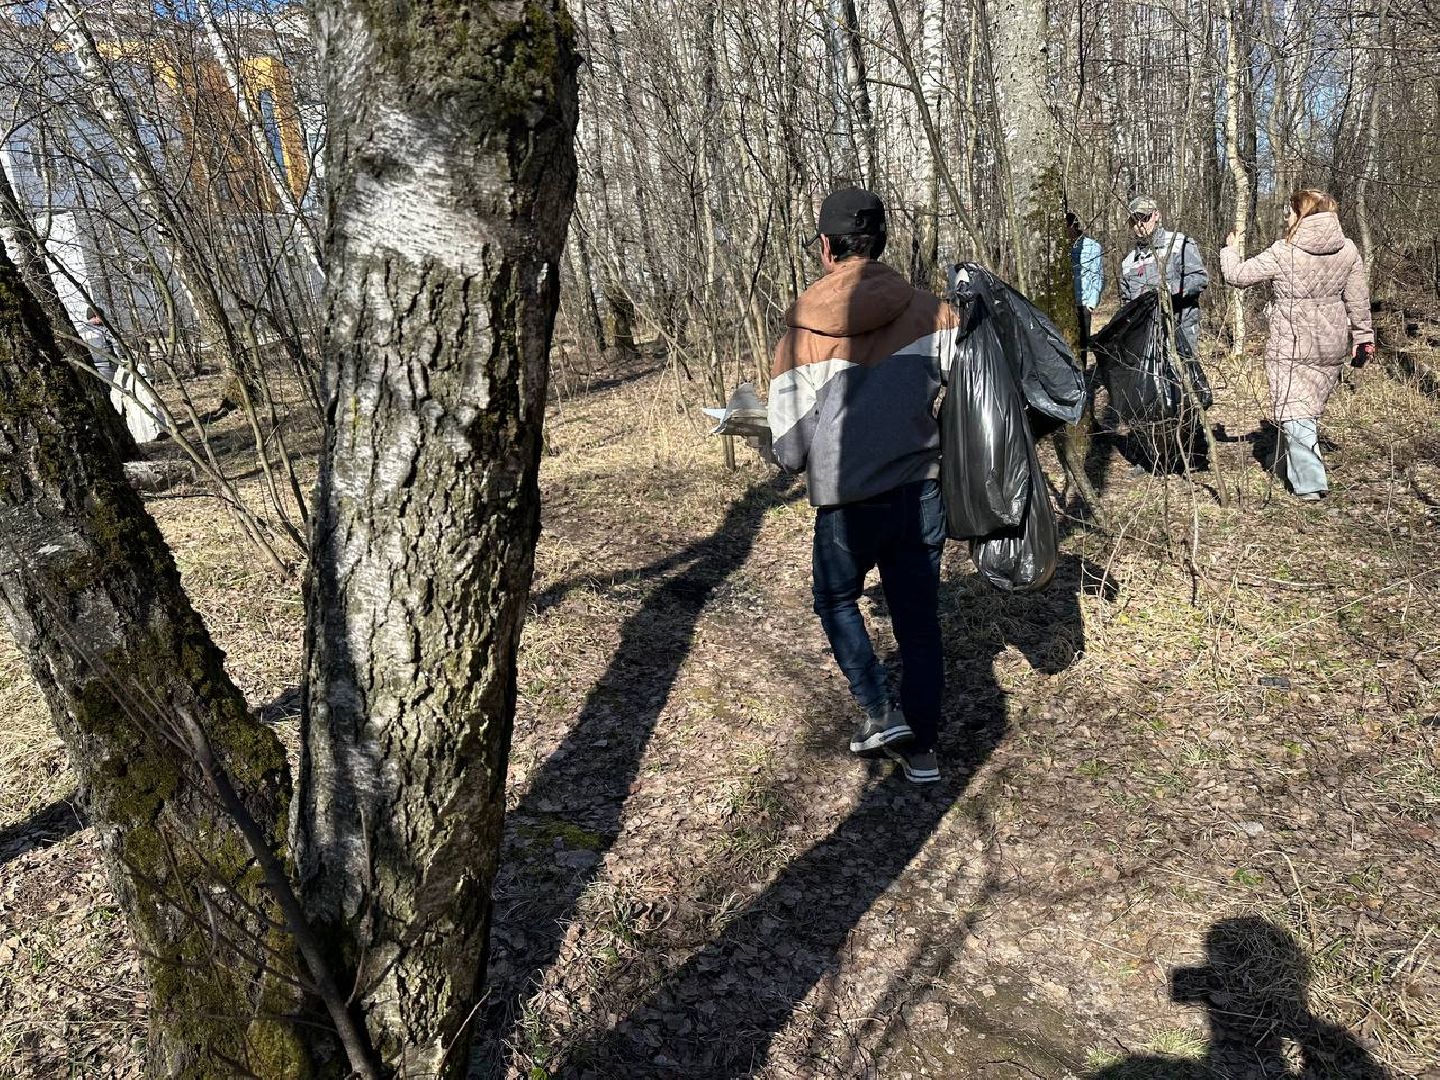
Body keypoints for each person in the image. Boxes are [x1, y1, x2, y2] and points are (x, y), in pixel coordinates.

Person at [767, 188, 961, 783]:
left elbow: (790, 450)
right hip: (920, 489)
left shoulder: (801, 334)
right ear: (882, 242)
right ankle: (922, 749)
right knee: (918, 620)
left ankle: (879, 710)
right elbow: (967, 404)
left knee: (833, 598)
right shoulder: (937, 313)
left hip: (847, 503)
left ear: (825, 248)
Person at [1220, 190, 1373, 500]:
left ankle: (1311, 486)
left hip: (1292, 343)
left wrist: (1230, 250)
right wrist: (1363, 338)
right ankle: (1278, 463)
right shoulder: (1348, 250)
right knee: (1301, 411)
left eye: (1289, 213)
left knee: (1297, 414)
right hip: (1330, 343)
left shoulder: (1283, 251)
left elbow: (1237, 276)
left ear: (1303, 214)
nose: (1285, 219)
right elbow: (1358, 299)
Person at [1119, 195, 1209, 360]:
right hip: (1145, 337)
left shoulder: (1178, 243)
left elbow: (1199, 278)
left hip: (1180, 329)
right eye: (1134, 220)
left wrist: (1167, 290)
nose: (1139, 225)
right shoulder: (1128, 262)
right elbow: (1126, 301)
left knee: (1183, 379)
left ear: (1156, 215)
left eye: (1144, 218)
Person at [1067, 211, 1104, 360]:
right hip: (1066, 303)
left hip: (1083, 303)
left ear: (1072, 227)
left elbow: (1098, 275)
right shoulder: (1061, 249)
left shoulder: (1092, 247)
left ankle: (1082, 378)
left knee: (1081, 346)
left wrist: (1091, 304)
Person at [79, 306, 117, 384]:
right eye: (101, 316)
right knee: (105, 389)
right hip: (105, 365)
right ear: (96, 316)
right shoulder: (104, 330)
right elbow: (116, 344)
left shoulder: (80, 332)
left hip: (88, 366)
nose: (104, 319)